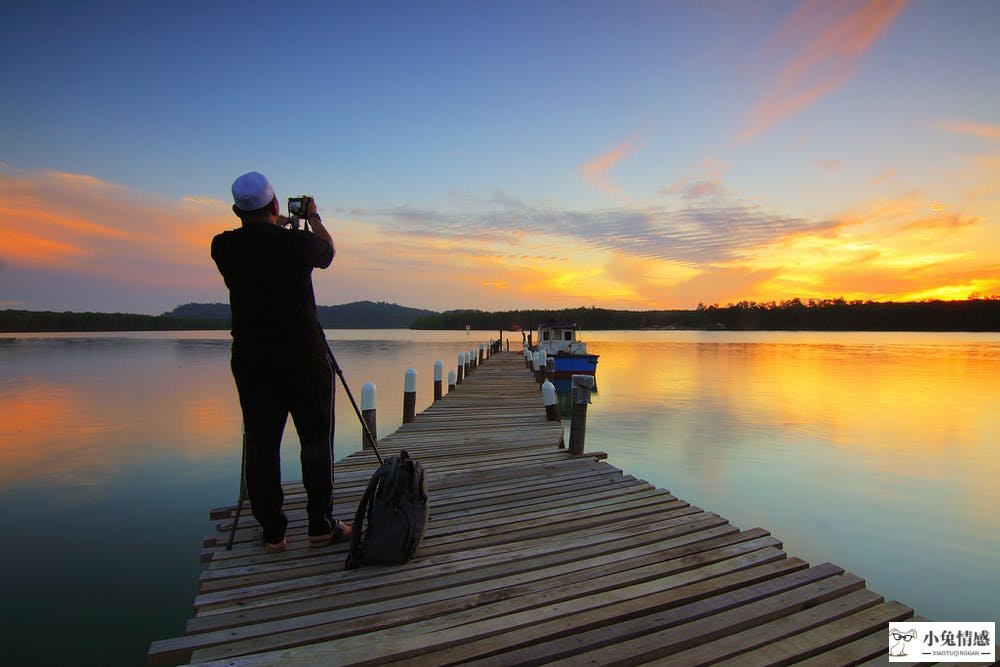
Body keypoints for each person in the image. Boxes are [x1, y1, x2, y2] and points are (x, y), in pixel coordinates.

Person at [211, 171, 350, 552]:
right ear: (275, 205)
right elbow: (328, 251)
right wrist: (313, 217)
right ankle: (320, 526)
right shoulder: (297, 243)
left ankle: (273, 533)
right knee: (316, 440)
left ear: (237, 210)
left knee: (261, 443)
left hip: (252, 357)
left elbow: (257, 241)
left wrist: (277, 225)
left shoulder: (222, 246)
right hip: (302, 354)